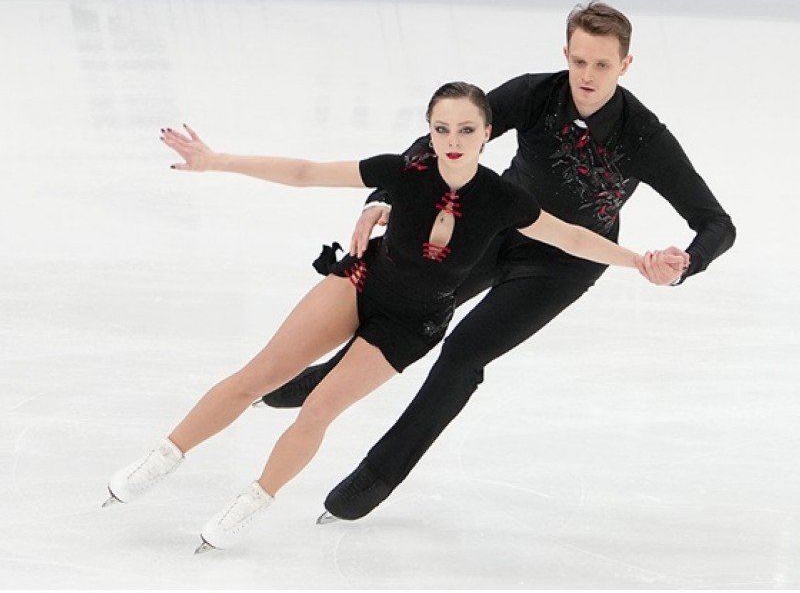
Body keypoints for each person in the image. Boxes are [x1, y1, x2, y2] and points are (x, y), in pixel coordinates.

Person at [102, 81, 680, 554]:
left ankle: (254, 500)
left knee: (320, 408)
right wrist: (216, 161)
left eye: (466, 130)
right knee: (258, 375)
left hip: (410, 327)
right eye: (442, 129)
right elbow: (306, 172)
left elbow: (573, 238)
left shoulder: (505, 199)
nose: (453, 141)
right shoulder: (405, 171)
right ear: (430, 131)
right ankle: (162, 457)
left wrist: (638, 261)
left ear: (487, 133)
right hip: (361, 284)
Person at [255, 1, 736, 523]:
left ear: (625, 64)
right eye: (579, 61)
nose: (587, 76)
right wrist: (388, 196)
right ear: (566, 54)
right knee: (407, 298)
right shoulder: (535, 93)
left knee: (463, 352)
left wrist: (685, 262)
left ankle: (378, 475)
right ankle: (325, 376)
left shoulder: (644, 136)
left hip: (563, 265)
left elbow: (717, 223)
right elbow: (448, 132)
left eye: (602, 65)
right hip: (495, 225)